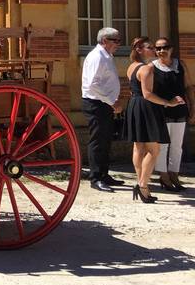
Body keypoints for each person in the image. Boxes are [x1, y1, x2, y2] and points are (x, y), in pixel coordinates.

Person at [124, 37, 182, 204]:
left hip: (134, 105)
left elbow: (134, 90)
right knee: (154, 150)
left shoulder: (131, 67)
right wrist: (168, 103)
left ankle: (142, 184)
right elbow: (148, 94)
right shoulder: (147, 68)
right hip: (146, 107)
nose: (154, 50)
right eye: (150, 47)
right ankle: (143, 185)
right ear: (140, 50)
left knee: (139, 147)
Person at [81, 27, 125, 193]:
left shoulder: (106, 56)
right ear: (105, 40)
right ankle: (96, 178)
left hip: (103, 103)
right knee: (98, 141)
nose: (119, 44)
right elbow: (94, 85)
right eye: (116, 40)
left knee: (106, 140)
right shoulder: (97, 56)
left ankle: (104, 174)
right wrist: (112, 102)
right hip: (96, 103)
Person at [151, 37, 193, 192]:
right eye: (158, 48)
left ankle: (174, 174)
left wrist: (192, 105)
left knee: (177, 146)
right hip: (161, 110)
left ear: (171, 49)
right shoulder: (152, 67)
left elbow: (188, 86)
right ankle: (163, 176)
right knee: (162, 145)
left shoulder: (180, 65)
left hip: (180, 109)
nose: (162, 51)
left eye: (165, 47)